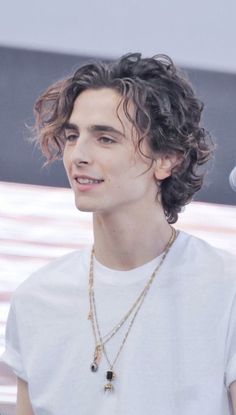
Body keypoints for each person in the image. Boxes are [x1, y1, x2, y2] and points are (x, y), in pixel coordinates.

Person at [1, 53, 236, 415]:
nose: (78, 154)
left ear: (166, 158)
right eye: (72, 136)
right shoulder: (36, 299)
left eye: (105, 139)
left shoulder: (226, 288)